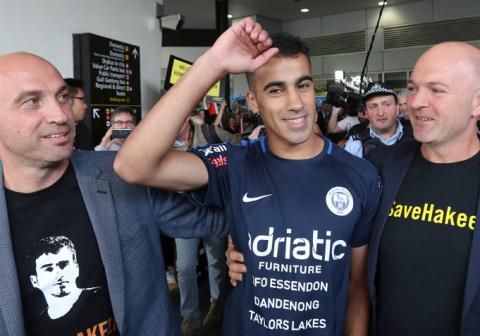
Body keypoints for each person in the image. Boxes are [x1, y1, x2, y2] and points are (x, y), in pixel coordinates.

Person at [115, 18, 381, 336]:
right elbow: (133, 166)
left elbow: (356, 286)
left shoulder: (360, 175)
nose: (295, 103)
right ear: (253, 101)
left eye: (303, 85)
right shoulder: (234, 162)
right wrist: (212, 63)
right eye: (275, 89)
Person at [0, 52, 226, 336]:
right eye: (32, 101)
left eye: (62, 97)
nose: (61, 115)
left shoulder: (120, 174)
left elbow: (218, 219)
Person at [366, 42, 480, 336]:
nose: (415, 102)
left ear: (477, 103)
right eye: (413, 88)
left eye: (436, 90)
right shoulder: (380, 170)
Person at [343, 82, 413, 158]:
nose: (380, 113)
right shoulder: (355, 146)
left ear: (397, 108)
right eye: (373, 107)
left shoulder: (417, 139)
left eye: (386, 105)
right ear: (366, 113)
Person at [64, 78, 93, 150]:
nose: (85, 106)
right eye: (82, 100)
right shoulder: (51, 132)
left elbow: (89, 158)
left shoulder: (83, 130)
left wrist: (103, 147)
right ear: (69, 100)